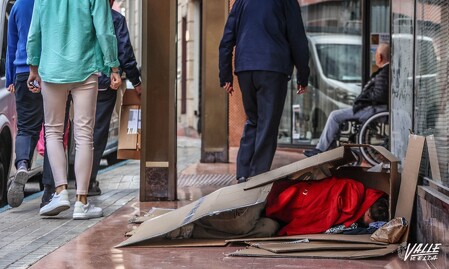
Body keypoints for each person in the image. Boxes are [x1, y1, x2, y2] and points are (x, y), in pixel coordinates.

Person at [27, 0, 122, 219]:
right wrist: (113, 66)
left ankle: (60, 192)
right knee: (84, 136)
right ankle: (82, 201)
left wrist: (33, 66)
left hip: (51, 70)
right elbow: (105, 30)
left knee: (53, 131)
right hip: (85, 69)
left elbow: (34, 32)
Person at [219, 0, 310, 183]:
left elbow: (227, 39)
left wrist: (226, 76)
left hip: (245, 69)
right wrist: (303, 75)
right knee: (267, 124)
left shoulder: (241, 2)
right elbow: (297, 38)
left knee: (253, 120)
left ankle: (243, 173)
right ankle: (258, 177)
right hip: (272, 68)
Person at [88, 0, 142, 196]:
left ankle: (63, 183)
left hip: (78, 80)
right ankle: (88, 181)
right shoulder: (116, 19)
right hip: (105, 83)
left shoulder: (81, 16)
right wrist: (136, 82)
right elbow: (124, 51)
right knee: (98, 131)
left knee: (80, 131)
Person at [304, 43, 390, 157]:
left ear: (380, 57)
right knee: (338, 115)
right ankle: (328, 147)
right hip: (373, 108)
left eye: (376, 55)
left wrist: (363, 99)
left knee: (334, 116)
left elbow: (379, 95)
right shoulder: (387, 71)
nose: (375, 57)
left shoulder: (384, 72)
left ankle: (321, 149)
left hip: (373, 109)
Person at [5, 0, 45, 208]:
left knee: (26, 128)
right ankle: (52, 188)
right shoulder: (51, 3)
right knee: (53, 130)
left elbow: (12, 45)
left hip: (23, 71)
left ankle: (22, 164)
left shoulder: (18, 6)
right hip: (49, 71)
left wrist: (11, 78)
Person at [265, 177, 389, 235]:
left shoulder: (356, 185)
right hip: (303, 198)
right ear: (367, 211)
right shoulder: (352, 190)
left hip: (296, 192)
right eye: (369, 221)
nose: (368, 224)